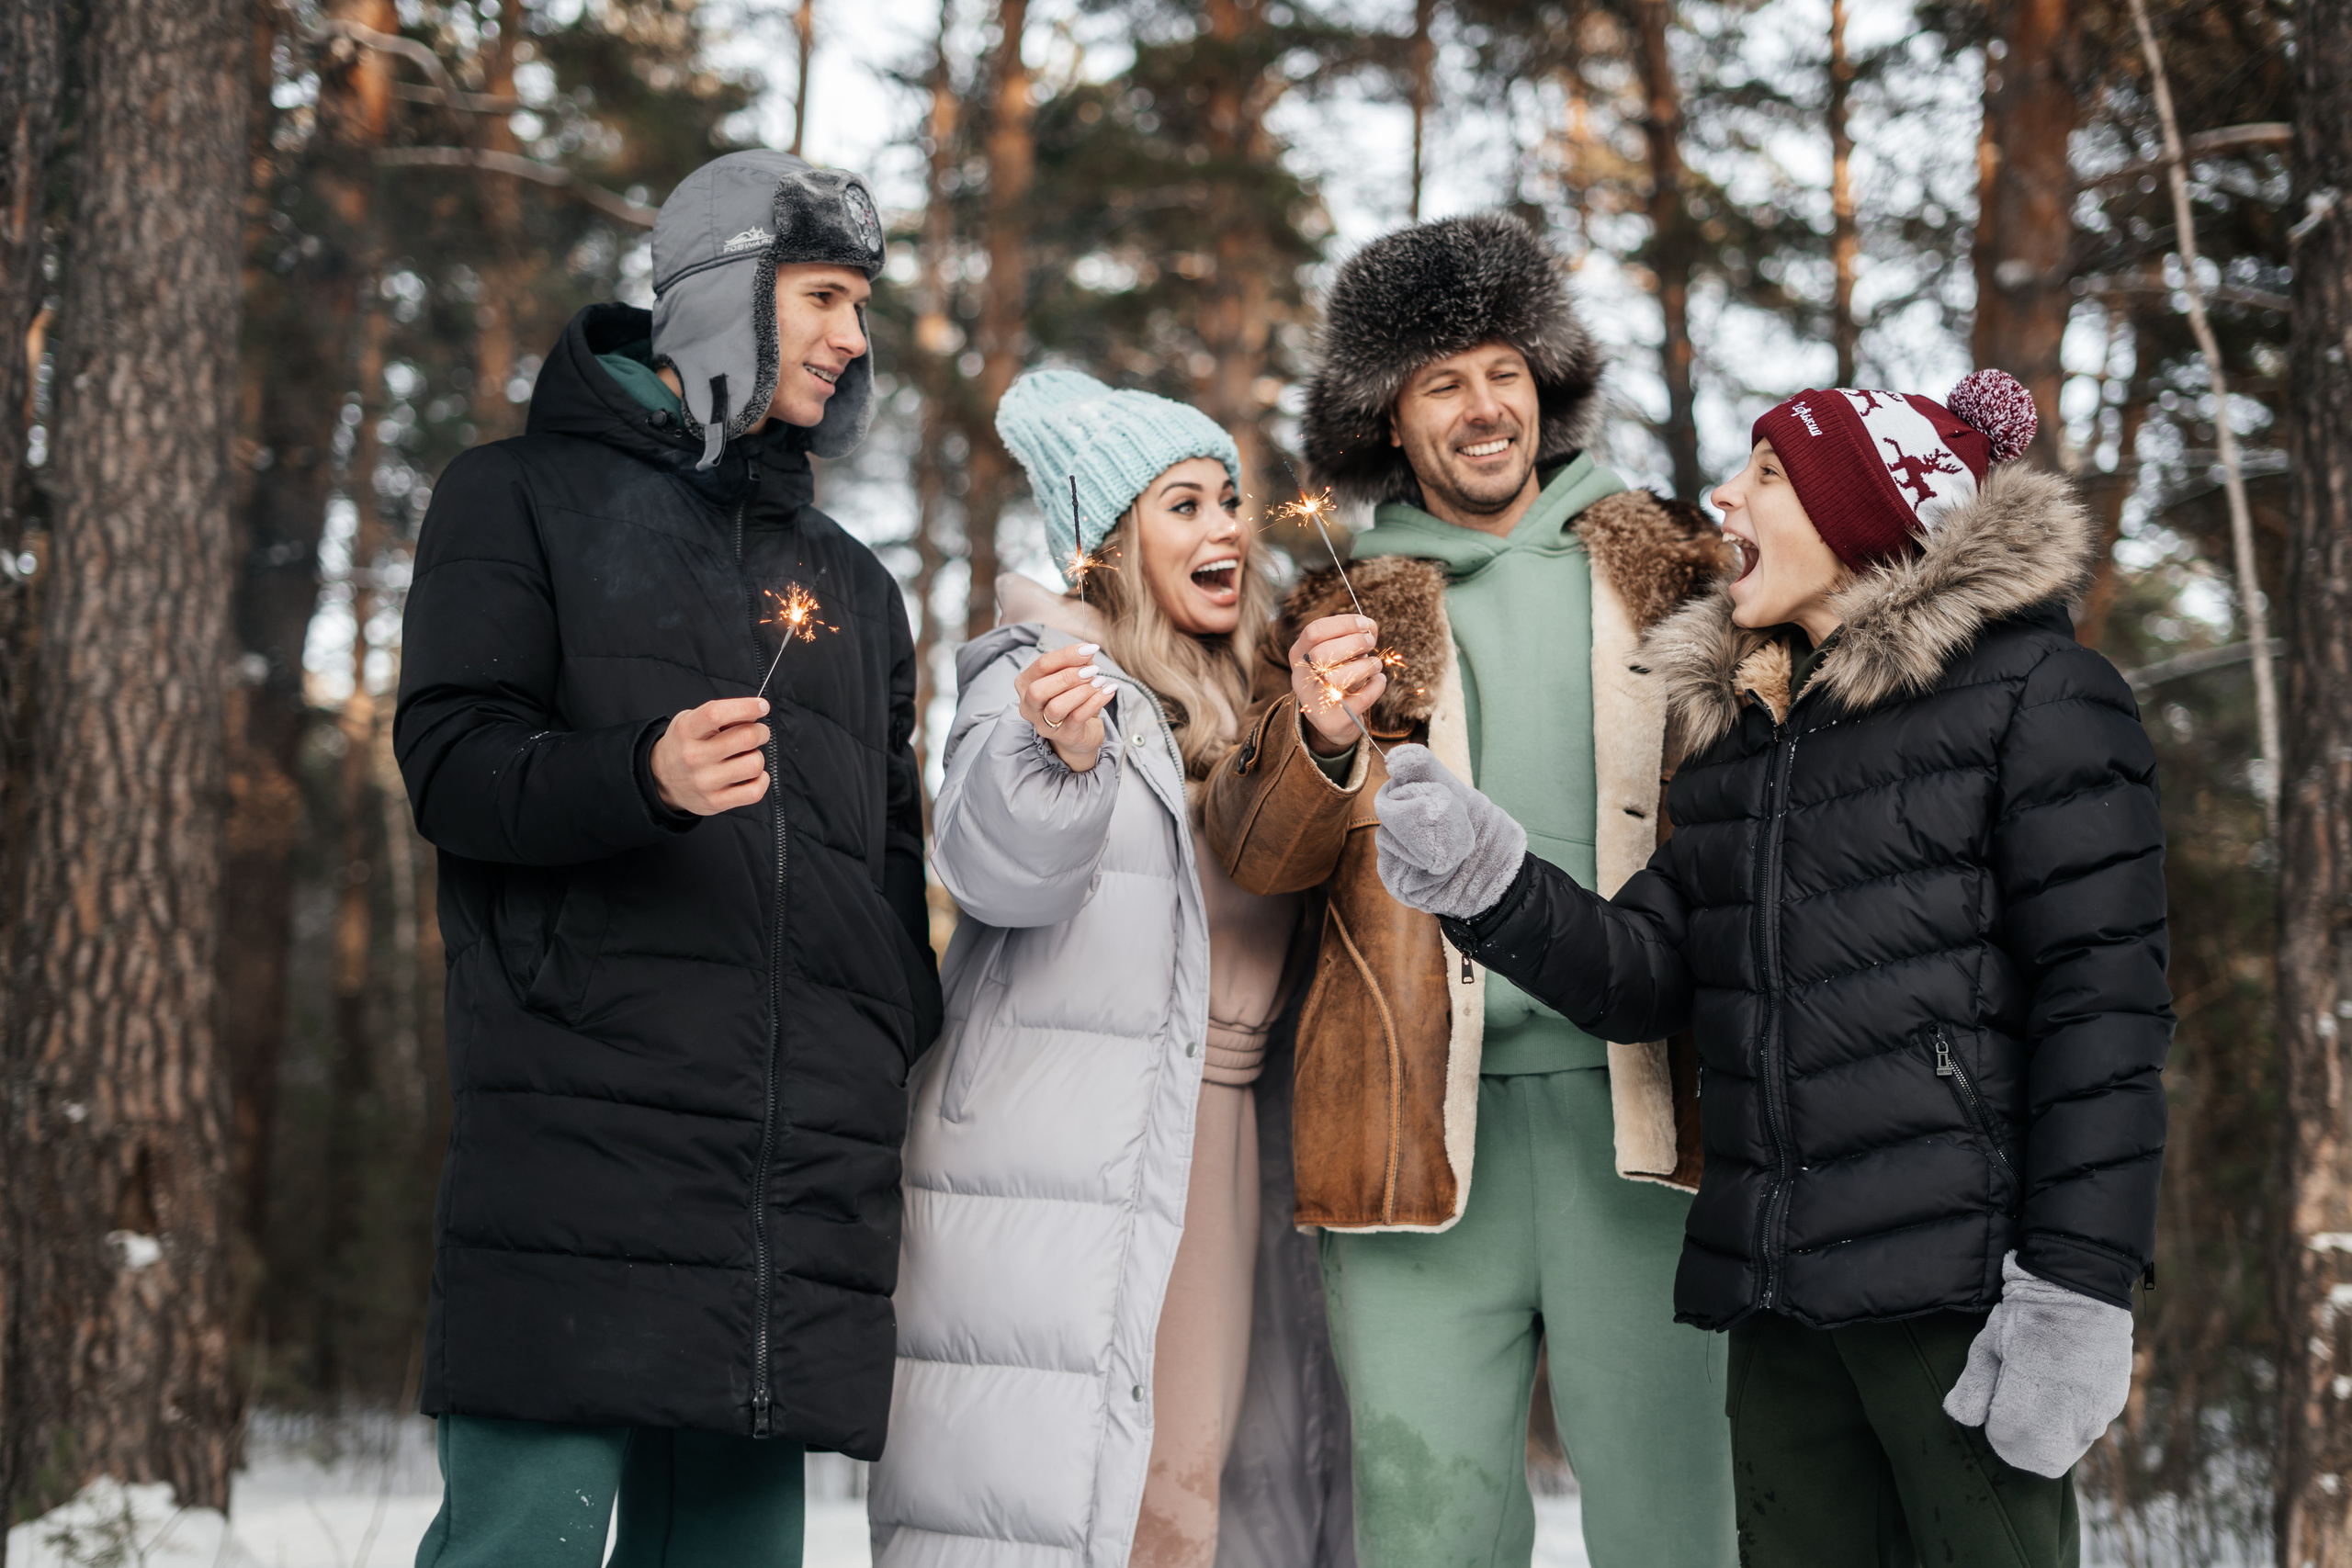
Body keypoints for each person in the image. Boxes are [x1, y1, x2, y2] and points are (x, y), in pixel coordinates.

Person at [1374, 371, 2170, 1567]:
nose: (1723, 496)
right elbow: (1645, 974)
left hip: (1959, 1301)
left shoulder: (2041, 700)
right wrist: (1490, 881)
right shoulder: (1750, 737)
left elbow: (2102, 1019)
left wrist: (2078, 1288)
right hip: (1778, 1300)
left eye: (1767, 474)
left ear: (1859, 515)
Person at [393, 149, 942, 1568]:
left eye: (861, 304)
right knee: (522, 1549)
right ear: (722, 298)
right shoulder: (513, 498)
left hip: (783, 1193)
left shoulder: (855, 588)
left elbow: (888, 864)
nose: (853, 337)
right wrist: (642, 773)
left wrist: (888, 1026)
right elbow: (452, 768)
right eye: (823, 295)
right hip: (578, 1156)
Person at [1199, 212, 1736, 1567]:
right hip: (1406, 1132)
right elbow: (1259, 856)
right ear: (1388, 415)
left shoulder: (1673, 562)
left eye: (1503, 368)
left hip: (1650, 1120)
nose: (1483, 405)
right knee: (1430, 1530)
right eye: (1442, 381)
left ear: (1546, 384)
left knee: (1682, 1525)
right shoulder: (1338, 599)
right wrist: (1316, 741)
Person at [868, 369, 1355, 1568]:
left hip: (1228, 1137)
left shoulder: (1260, 696)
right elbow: (996, 871)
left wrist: (1331, 738)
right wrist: (1058, 760)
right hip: (1071, 1143)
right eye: (1185, 504)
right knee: (1092, 1503)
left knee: (1194, 1493)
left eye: (1232, 500)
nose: (1230, 528)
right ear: (1110, 541)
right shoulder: (1042, 677)